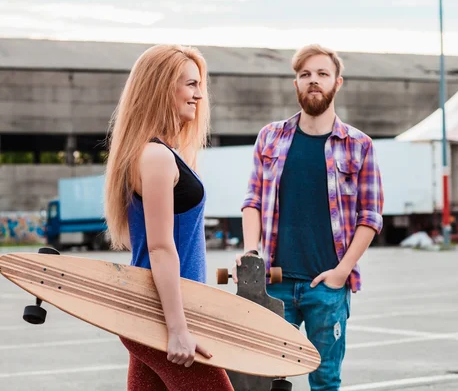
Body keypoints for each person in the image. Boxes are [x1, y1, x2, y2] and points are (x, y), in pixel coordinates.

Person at [236, 44, 384, 390]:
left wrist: (341, 273)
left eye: (321, 74)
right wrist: (250, 252)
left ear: (337, 82)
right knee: (265, 378)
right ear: (296, 84)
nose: (313, 81)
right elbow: (252, 200)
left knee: (326, 380)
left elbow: (371, 216)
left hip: (327, 287)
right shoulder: (270, 137)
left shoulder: (358, 145)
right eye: (305, 75)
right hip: (274, 285)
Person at [103, 44, 233, 391]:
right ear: (162, 87)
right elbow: (160, 248)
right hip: (162, 319)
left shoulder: (151, 152)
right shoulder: (157, 156)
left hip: (148, 314)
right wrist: (178, 330)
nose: (199, 95)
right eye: (191, 84)